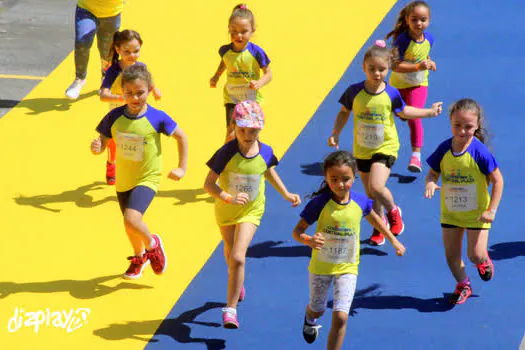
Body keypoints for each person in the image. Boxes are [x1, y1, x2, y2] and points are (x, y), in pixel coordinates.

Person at [328, 40, 442, 246]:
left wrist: (429, 112)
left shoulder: (391, 93)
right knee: (371, 194)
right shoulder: (353, 92)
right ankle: (379, 228)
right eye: (372, 69)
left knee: (377, 186)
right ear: (364, 67)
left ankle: (393, 211)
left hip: (385, 146)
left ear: (388, 69)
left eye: (382, 69)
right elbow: (344, 113)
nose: (377, 73)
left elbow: (404, 111)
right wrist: (336, 132)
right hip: (362, 150)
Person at [292, 150, 405, 349]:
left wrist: (393, 241)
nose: (340, 184)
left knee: (341, 317)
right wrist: (309, 240)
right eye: (333, 179)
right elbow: (297, 231)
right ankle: (310, 318)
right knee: (318, 309)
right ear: (326, 178)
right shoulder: (319, 203)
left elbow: (377, 221)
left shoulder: (360, 202)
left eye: (345, 179)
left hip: (348, 267)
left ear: (354, 177)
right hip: (321, 267)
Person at [203, 100, 300, 329]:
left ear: (261, 128)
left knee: (238, 256)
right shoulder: (226, 152)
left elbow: (267, 171)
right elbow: (208, 184)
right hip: (226, 209)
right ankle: (237, 280)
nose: (247, 135)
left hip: (252, 210)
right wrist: (228, 197)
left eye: (253, 130)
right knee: (230, 253)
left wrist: (286, 193)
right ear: (234, 127)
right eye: (242, 130)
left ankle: (230, 309)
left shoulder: (265, 151)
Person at [90, 64, 188, 279]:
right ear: (122, 92)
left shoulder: (157, 117)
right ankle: (139, 256)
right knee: (129, 225)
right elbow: (102, 143)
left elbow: (181, 137)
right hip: (124, 180)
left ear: (149, 90)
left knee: (132, 218)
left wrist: (182, 166)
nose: (135, 98)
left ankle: (153, 245)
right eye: (129, 93)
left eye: (140, 93)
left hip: (147, 177)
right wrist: (97, 148)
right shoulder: (114, 117)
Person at [424, 98, 504, 305]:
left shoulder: (480, 152)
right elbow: (432, 173)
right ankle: (463, 284)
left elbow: (498, 181)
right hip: (451, 212)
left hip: (477, 214)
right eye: (457, 125)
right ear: (450, 122)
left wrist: (491, 211)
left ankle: (483, 261)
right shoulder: (444, 149)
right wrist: (430, 184)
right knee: (451, 255)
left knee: (475, 255)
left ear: (477, 126)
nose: (462, 131)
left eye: (468, 127)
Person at [99, 29, 162, 185]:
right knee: (115, 140)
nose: (132, 55)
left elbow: (148, 80)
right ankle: (111, 163)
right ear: (118, 50)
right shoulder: (113, 70)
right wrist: (122, 98)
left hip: (138, 106)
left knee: (139, 134)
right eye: (127, 51)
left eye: (136, 51)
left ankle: (137, 167)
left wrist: (154, 89)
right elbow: (103, 95)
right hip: (117, 108)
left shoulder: (141, 66)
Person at [209, 4, 272, 143]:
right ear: (229, 30)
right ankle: (227, 161)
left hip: (250, 98)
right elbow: (226, 62)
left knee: (252, 132)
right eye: (234, 31)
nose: (238, 35)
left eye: (244, 31)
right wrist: (216, 76)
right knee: (231, 132)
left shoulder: (256, 52)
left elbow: (269, 74)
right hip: (232, 97)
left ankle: (256, 160)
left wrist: (259, 82)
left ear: (252, 31)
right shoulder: (225, 51)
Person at [386, 1, 435, 173]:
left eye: (423, 20)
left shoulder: (429, 38)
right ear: (407, 20)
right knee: (397, 113)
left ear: (429, 20)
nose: (419, 24)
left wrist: (429, 62)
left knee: (415, 117)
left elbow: (424, 53)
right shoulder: (402, 40)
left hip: (418, 84)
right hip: (399, 85)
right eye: (414, 20)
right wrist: (417, 67)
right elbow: (394, 65)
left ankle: (416, 156)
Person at [65, 0, 124, 100]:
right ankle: (80, 79)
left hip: (112, 12)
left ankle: (106, 79)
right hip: (87, 9)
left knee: (107, 51)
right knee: (82, 42)